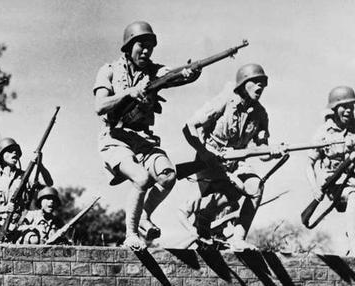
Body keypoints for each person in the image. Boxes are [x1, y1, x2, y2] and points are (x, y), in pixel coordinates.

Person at [93, 21, 200, 251]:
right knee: (141, 178)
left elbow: (173, 75)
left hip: (142, 139)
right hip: (115, 138)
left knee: (168, 176)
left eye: (150, 47)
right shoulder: (109, 70)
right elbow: (100, 106)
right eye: (141, 45)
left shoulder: (154, 71)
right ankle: (131, 235)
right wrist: (128, 93)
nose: (146, 51)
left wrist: (191, 74)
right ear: (129, 46)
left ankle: (143, 216)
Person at [182, 63, 281, 251]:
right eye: (255, 81)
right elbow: (190, 126)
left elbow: (261, 149)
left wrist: (272, 151)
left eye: (263, 82)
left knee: (256, 187)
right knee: (234, 190)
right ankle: (204, 217)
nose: (260, 86)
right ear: (243, 83)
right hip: (211, 159)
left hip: (236, 161)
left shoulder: (260, 114)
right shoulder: (225, 100)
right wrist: (204, 153)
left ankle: (238, 238)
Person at [306, 86, 355, 257]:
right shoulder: (323, 132)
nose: (348, 111)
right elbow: (309, 164)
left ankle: (352, 231)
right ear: (334, 108)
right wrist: (314, 188)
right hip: (335, 181)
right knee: (354, 196)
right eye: (344, 107)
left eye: (351, 107)